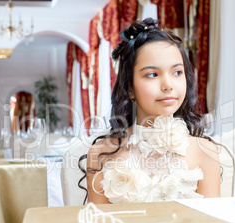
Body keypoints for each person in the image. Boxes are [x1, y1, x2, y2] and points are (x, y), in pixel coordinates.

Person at [79, 18, 220, 204]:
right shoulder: (100, 154)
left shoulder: (205, 151)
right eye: (152, 74)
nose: (168, 85)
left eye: (177, 72)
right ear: (129, 88)